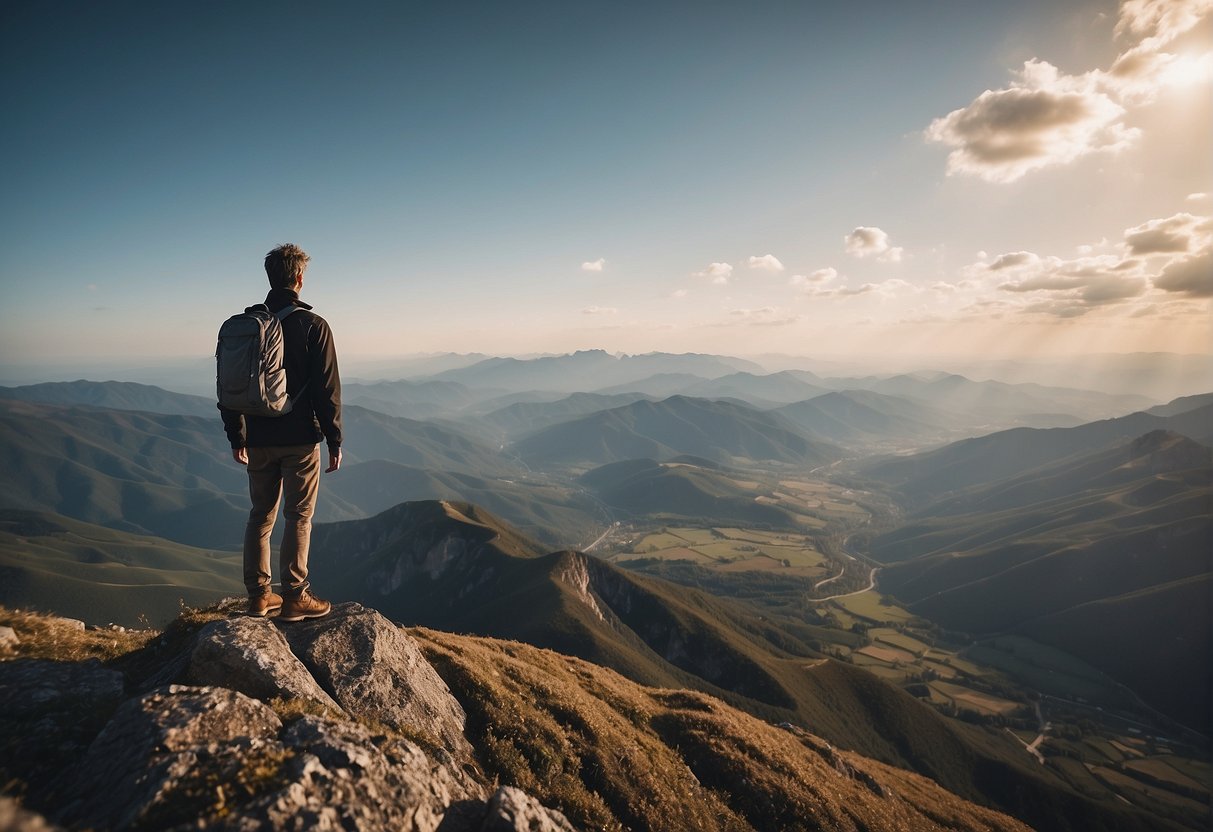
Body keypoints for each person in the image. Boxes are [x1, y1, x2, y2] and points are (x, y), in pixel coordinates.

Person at [220, 243, 342, 621]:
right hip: (301, 439)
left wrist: (236, 435)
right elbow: (327, 389)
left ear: (271, 277)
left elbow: (229, 386)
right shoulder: (313, 326)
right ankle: (294, 597)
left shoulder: (247, 327)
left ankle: (259, 596)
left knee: (260, 515)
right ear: (300, 278)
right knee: (298, 516)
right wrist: (335, 440)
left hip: (257, 436)